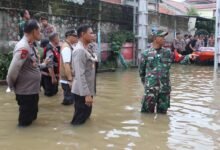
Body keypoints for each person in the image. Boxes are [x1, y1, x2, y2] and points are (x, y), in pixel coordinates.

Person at [7, 20, 42, 127]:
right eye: (39, 30)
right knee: (24, 124)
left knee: (31, 119)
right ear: (34, 31)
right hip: (26, 92)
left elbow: (33, 65)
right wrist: (11, 86)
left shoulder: (30, 45)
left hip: (31, 91)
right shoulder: (23, 47)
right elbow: (12, 71)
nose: (40, 33)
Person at [139, 30, 171, 114]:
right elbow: (141, 73)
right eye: (162, 37)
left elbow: (179, 59)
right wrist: (148, 84)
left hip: (164, 89)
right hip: (151, 90)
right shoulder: (145, 54)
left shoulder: (167, 53)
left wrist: (189, 57)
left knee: (163, 115)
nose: (164, 39)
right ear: (155, 38)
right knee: (147, 115)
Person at [71, 25, 97, 125]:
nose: (93, 35)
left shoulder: (86, 48)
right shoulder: (79, 51)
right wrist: (87, 95)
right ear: (82, 34)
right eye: (90, 33)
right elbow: (79, 75)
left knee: (85, 117)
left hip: (86, 91)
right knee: (78, 120)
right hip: (81, 93)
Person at [60, 29, 78, 105]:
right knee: (69, 102)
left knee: (69, 100)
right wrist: (70, 80)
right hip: (67, 80)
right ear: (69, 36)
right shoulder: (66, 48)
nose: (77, 38)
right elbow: (66, 65)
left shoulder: (69, 46)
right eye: (75, 36)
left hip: (67, 79)